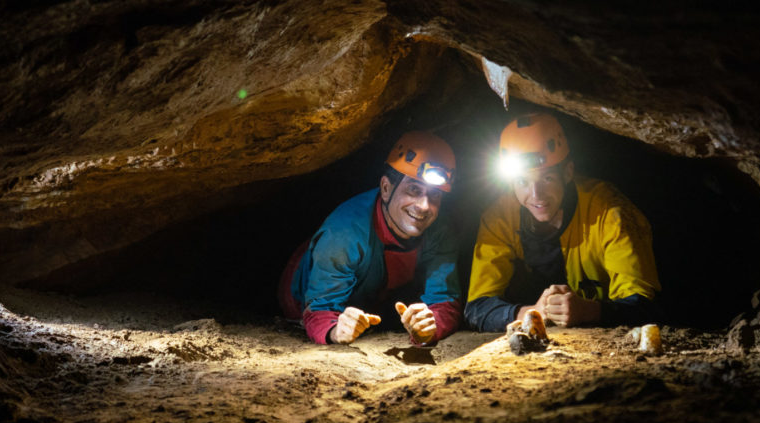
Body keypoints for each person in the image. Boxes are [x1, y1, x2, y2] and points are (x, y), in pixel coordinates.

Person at [465, 112, 661, 332]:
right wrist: (532, 313)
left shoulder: (610, 213)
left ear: (567, 172)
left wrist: (588, 311)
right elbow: (477, 308)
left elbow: (645, 304)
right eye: (522, 182)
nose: (536, 194)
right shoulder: (499, 218)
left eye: (546, 179)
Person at [279, 131, 463, 345]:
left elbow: (445, 301)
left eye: (435, 195)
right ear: (386, 188)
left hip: (378, 295)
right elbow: (319, 309)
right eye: (414, 190)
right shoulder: (344, 233)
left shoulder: (441, 230)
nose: (424, 206)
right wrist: (334, 330)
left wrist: (430, 327)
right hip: (302, 286)